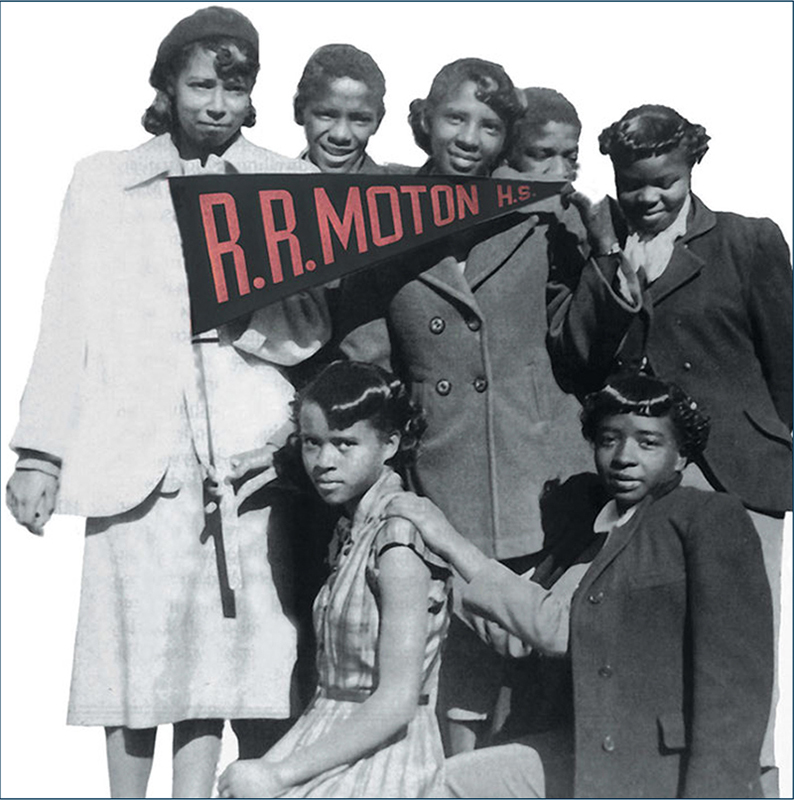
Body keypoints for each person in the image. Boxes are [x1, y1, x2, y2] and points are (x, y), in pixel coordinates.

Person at [4, 7, 330, 797]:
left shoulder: (286, 183)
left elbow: (312, 328)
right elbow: (66, 318)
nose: (217, 105)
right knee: (132, 656)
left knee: (218, 659)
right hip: (130, 441)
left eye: (235, 88)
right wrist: (39, 453)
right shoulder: (103, 178)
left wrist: (243, 316)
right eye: (200, 86)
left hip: (246, 443)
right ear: (165, 85)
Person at [335, 74, 592, 754]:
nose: (469, 140)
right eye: (455, 120)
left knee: (540, 672)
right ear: (425, 120)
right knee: (463, 680)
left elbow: (581, 338)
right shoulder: (378, 218)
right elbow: (369, 361)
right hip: (444, 474)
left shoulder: (543, 212)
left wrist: (602, 260)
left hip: (540, 470)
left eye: (488, 127)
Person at [547, 104, 792, 792]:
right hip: (641, 476)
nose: (648, 199)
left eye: (665, 182)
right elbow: (579, 358)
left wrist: (775, 454)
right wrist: (602, 259)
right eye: (631, 185)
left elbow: (789, 364)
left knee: (737, 650)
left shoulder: (747, 241)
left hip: (736, 476)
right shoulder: (601, 247)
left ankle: (751, 781)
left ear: (692, 169)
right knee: (651, 645)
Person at [387, 373, 774, 798]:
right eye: (609, 439)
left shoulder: (703, 517)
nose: (624, 456)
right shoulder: (587, 527)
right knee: (445, 782)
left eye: (648, 442)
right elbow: (521, 638)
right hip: (582, 745)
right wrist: (438, 573)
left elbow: (736, 685)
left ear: (681, 455)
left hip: (656, 765)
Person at [217, 361, 450, 798]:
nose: (324, 461)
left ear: (390, 444)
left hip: (386, 756)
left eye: (345, 444)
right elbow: (329, 699)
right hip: (329, 737)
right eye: (312, 443)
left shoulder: (398, 539)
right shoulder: (352, 528)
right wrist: (269, 767)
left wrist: (280, 774)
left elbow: (397, 702)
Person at [294, 43, 388, 174]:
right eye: (326, 115)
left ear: (378, 121)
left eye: (360, 119)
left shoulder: (404, 188)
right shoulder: (269, 183)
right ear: (299, 111)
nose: (341, 135)